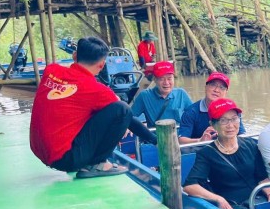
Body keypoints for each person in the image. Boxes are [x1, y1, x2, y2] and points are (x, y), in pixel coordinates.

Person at [29, 36, 156, 179]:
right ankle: (97, 164)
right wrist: (154, 140)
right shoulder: (97, 90)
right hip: (66, 159)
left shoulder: (51, 71)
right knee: (122, 109)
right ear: (102, 65)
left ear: (75, 56)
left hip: (40, 150)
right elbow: (126, 115)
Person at [183, 98, 270, 209]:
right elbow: (190, 186)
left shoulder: (251, 145)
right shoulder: (206, 153)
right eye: (223, 120)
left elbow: (262, 177)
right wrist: (218, 199)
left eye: (234, 119)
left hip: (256, 199)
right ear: (213, 125)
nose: (230, 125)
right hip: (232, 206)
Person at [178, 72, 246, 144]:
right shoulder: (191, 112)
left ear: (226, 92)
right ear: (205, 87)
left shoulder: (232, 110)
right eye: (213, 85)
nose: (216, 90)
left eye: (221, 87)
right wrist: (200, 140)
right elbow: (181, 140)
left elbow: (242, 135)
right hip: (200, 148)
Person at [130, 60, 192, 127]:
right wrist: (131, 126)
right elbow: (130, 117)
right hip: (155, 133)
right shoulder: (144, 96)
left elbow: (195, 114)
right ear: (155, 79)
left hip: (178, 133)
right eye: (161, 79)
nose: (166, 83)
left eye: (169, 78)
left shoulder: (181, 94)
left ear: (173, 78)